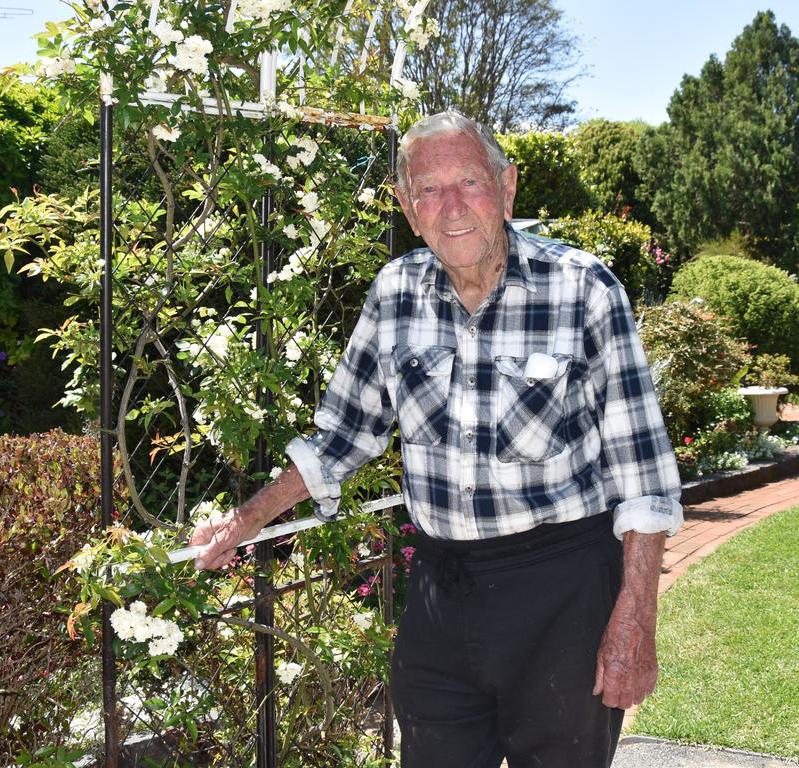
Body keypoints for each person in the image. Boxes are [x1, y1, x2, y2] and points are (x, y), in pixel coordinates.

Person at [190, 110, 682, 768]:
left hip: (561, 592)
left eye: (469, 183)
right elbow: (341, 435)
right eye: (428, 190)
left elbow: (644, 477)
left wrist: (635, 619)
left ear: (506, 187)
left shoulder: (584, 292)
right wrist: (245, 520)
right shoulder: (395, 296)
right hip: (441, 592)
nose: (451, 207)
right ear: (407, 206)